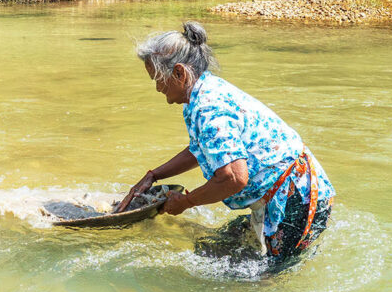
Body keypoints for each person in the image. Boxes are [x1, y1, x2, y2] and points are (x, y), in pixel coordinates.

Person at [116, 21, 335, 269]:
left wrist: (187, 202)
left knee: (268, 282)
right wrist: (153, 175)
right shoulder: (202, 93)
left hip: (297, 199)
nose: (156, 87)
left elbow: (233, 178)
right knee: (216, 247)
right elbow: (203, 150)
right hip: (288, 189)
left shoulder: (209, 108)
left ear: (179, 73)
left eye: (157, 78)